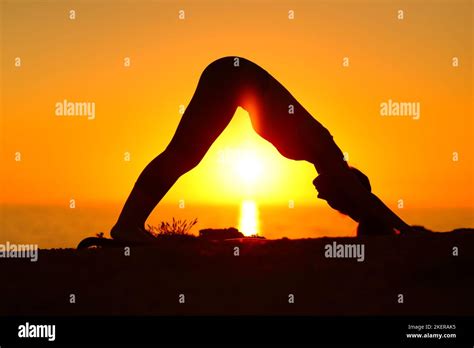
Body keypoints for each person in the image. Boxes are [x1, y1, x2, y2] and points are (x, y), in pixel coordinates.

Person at [111, 57, 411, 242]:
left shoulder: (318, 152)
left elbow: (357, 195)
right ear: (345, 186)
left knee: (183, 155)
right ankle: (127, 225)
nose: (324, 198)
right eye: (336, 201)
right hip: (230, 77)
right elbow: (361, 196)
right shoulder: (327, 151)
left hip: (230, 78)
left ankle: (129, 225)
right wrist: (406, 230)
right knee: (183, 155)